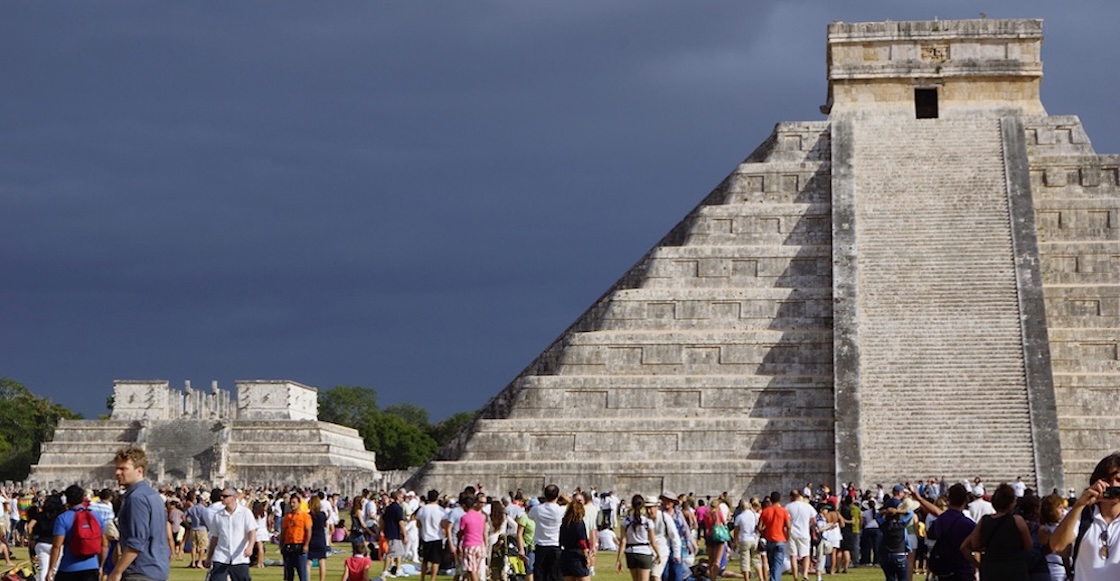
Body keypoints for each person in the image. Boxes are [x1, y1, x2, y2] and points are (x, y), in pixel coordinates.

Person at [1049, 452, 1120, 580]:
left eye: (1119, 480)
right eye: (1107, 481)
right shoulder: (1083, 515)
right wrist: (1080, 504)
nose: (1114, 486)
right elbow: (1057, 546)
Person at [106, 446, 171, 581]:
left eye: (123, 469)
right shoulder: (152, 495)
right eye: (117, 468)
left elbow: (136, 541)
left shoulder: (136, 498)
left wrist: (117, 571)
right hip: (156, 568)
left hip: (140, 570)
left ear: (139, 471)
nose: (117, 473)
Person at [960, 483, 1031, 581]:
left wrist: (979, 565)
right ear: (1011, 503)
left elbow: (974, 545)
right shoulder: (1017, 521)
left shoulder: (984, 521)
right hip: (1014, 569)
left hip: (991, 569)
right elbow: (1028, 546)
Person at [47, 485, 106, 581]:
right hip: (91, 567)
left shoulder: (63, 518)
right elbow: (104, 544)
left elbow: (56, 547)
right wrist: (101, 565)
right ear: (83, 498)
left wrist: (50, 569)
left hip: (69, 567)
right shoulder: (95, 516)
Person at [203, 487, 257, 581]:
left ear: (233, 497)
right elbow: (215, 537)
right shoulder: (218, 515)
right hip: (221, 556)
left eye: (225, 496)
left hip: (239, 557)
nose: (222, 499)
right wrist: (209, 557)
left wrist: (250, 547)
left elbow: (252, 531)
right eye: (221, 496)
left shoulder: (245, 513)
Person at [616, 495, 660, 581]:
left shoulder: (626, 521)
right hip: (644, 552)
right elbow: (653, 541)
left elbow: (623, 541)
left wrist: (619, 558)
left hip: (631, 553)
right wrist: (658, 554)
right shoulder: (647, 522)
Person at [530, 485, 565, 581]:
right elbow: (575, 507)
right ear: (557, 496)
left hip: (541, 545)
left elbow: (530, 516)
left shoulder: (537, 509)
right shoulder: (561, 510)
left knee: (540, 575)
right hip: (555, 544)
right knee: (556, 575)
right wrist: (566, 498)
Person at [29, 494, 63, 581]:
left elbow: (29, 526)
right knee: (55, 569)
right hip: (57, 543)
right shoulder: (61, 516)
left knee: (43, 569)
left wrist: (31, 539)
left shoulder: (40, 515)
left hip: (41, 543)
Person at [758, 492, 790, 581]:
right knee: (778, 564)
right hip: (780, 539)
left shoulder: (765, 511)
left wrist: (764, 534)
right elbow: (788, 526)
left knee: (772, 564)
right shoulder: (783, 511)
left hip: (770, 540)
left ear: (771, 500)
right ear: (780, 499)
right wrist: (788, 536)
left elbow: (759, 527)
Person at [281, 493, 312, 581]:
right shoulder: (287, 516)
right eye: (291, 502)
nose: (292, 505)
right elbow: (284, 531)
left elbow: (308, 531)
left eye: (294, 502)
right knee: (288, 574)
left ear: (299, 503)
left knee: (302, 573)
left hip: (300, 545)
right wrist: (281, 544)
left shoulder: (305, 516)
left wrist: (306, 545)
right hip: (288, 545)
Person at [416, 490, 445, 581]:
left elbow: (418, 524)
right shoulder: (441, 510)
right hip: (437, 537)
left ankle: (422, 578)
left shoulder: (422, 509)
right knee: (435, 561)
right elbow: (443, 524)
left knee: (425, 560)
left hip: (426, 536)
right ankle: (433, 579)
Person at [559, 498, 590, 581]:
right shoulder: (579, 523)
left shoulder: (564, 523)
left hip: (565, 554)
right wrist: (586, 555)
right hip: (577, 555)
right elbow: (582, 541)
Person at [732, 498, 762, 581]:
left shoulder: (739, 517)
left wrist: (735, 542)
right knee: (756, 559)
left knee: (745, 561)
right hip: (754, 538)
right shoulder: (754, 515)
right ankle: (761, 577)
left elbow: (736, 531)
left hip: (744, 539)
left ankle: (746, 579)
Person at [380, 490, 408, 578]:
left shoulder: (388, 508)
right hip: (394, 532)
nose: (402, 498)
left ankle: (398, 569)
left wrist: (382, 529)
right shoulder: (398, 508)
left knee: (399, 552)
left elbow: (382, 520)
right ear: (397, 498)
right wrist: (405, 534)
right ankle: (385, 571)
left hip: (390, 531)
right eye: (401, 496)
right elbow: (401, 522)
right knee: (391, 553)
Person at [186, 493, 211, 569]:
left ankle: (193, 562)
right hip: (202, 528)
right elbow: (207, 519)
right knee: (203, 547)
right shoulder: (205, 509)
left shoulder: (192, 508)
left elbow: (183, 516)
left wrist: (187, 524)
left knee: (193, 546)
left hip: (193, 528)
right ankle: (199, 562)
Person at [308, 496, 330, 581]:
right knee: (322, 561)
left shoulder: (309, 515)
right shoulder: (322, 515)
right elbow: (325, 523)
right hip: (320, 538)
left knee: (308, 561)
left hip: (311, 538)